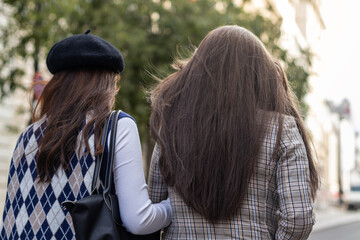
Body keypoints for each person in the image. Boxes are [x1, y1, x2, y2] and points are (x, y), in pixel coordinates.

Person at [148, 25, 319, 239]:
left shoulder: (172, 128)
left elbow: (153, 208)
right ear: (260, 75)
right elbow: (298, 219)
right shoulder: (281, 130)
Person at [0, 31, 171, 239]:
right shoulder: (115, 127)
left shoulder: (27, 136)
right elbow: (139, 220)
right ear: (106, 84)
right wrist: (173, 207)